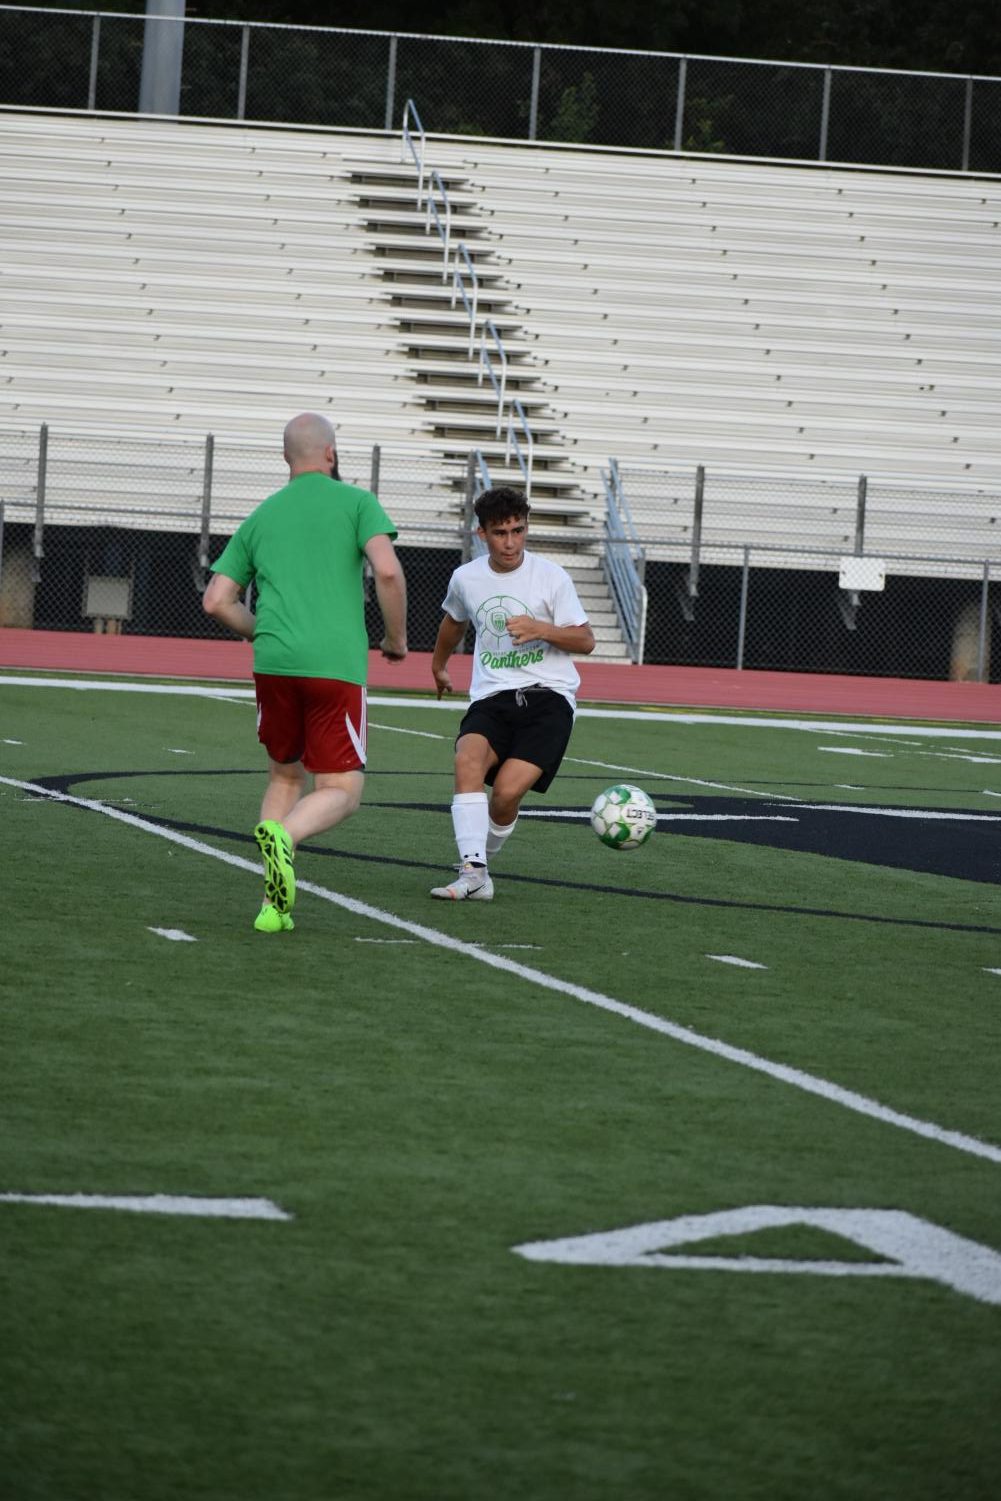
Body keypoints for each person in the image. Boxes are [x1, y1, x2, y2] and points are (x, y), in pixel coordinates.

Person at [202, 412, 407, 933]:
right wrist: (396, 639)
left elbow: (216, 601)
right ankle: (285, 838)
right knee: (341, 789)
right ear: (332, 454)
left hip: (274, 664)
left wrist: (259, 631)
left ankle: (273, 906)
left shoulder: (262, 515)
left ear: (286, 459)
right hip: (333, 666)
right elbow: (386, 569)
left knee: (285, 774)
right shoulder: (357, 502)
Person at [429, 485, 595, 900]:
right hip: (492, 696)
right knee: (466, 758)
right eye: (500, 533)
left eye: (518, 531)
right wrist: (439, 665)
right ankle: (473, 871)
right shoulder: (465, 577)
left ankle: (482, 861)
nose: (510, 542)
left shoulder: (552, 577)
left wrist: (541, 628)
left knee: (504, 795)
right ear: (480, 533)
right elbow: (454, 622)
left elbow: (586, 640)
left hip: (549, 698)